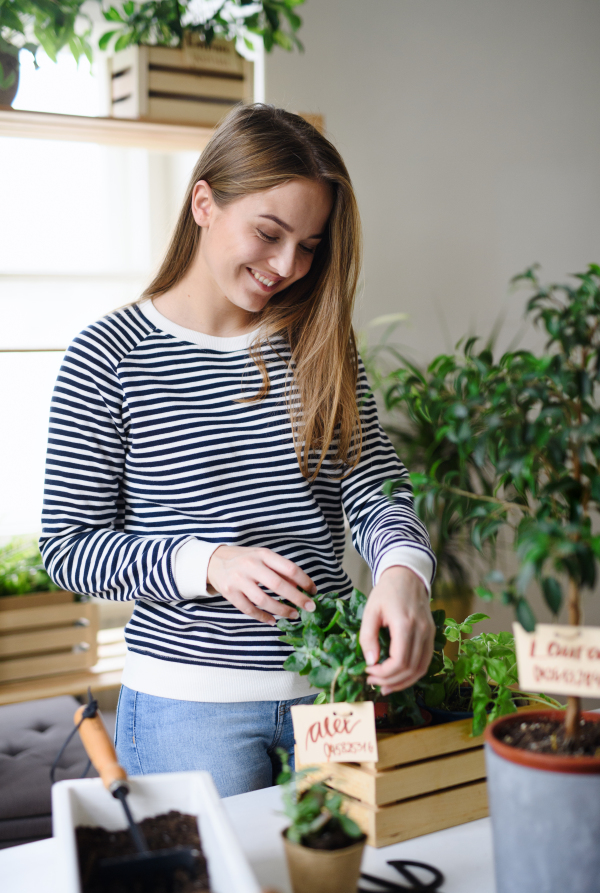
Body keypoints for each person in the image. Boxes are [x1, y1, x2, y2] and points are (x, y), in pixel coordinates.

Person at [40, 103, 436, 798]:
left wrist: (404, 570)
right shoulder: (107, 357)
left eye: (310, 245)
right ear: (204, 203)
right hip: (186, 710)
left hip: (331, 690)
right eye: (269, 233)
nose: (287, 266)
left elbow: (374, 487)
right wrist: (209, 563)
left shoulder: (319, 346)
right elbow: (69, 548)